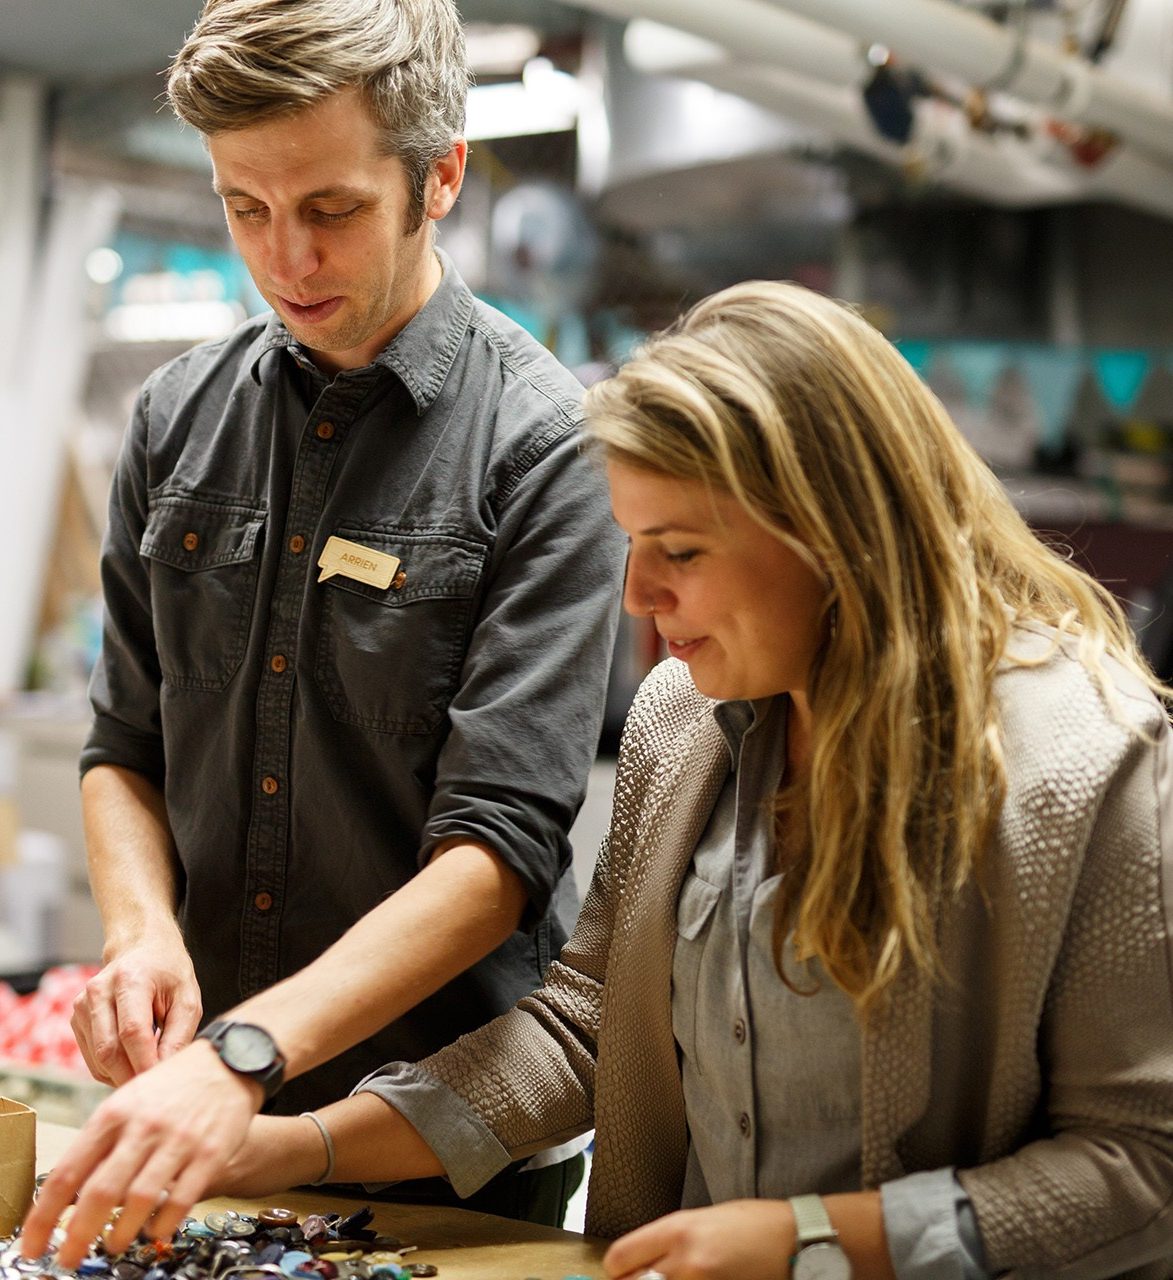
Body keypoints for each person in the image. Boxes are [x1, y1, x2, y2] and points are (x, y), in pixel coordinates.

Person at [136, 279, 1173, 1278]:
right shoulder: (685, 727)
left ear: (837, 532)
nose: (638, 594)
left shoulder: (1089, 767)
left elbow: (1143, 1164)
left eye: (678, 547)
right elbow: (586, 1028)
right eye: (633, 543)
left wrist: (811, 1241)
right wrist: (293, 1146)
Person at [20, 0, 623, 1259]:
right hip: (200, 1109)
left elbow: (498, 851)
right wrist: (139, 931)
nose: (285, 257)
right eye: (246, 207)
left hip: (441, 1140)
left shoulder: (546, 449)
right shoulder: (174, 418)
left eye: (332, 209)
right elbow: (125, 741)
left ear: (440, 175)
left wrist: (247, 1048)